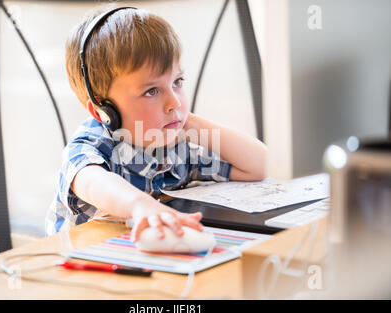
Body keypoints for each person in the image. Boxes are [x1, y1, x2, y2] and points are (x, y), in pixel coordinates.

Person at [45, 7, 267, 242]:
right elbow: (92, 183)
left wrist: (189, 123)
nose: (174, 101)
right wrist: (141, 205)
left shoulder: (174, 146)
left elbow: (260, 165)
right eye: (151, 91)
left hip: (145, 262)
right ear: (103, 110)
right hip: (78, 267)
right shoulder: (90, 148)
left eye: (178, 81)